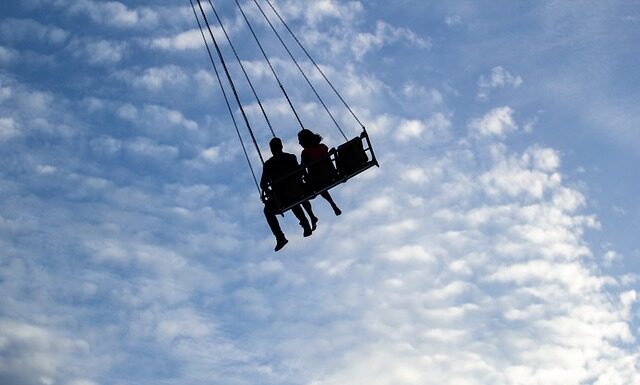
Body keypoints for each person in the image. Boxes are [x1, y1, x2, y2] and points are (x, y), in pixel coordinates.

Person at [261, 137, 317, 251]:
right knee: (293, 197)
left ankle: (280, 237)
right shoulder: (291, 157)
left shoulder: (268, 164)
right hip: (297, 191)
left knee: (268, 210)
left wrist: (269, 192)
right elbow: (300, 172)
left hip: (282, 197)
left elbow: (263, 184)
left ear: (271, 150)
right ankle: (305, 223)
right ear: (282, 146)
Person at [297, 129, 342, 216]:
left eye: (300, 140)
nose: (299, 143)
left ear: (305, 140)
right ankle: (332, 204)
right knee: (320, 182)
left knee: (303, 192)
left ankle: (312, 215)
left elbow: (302, 170)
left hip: (316, 181)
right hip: (331, 174)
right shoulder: (323, 147)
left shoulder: (306, 153)